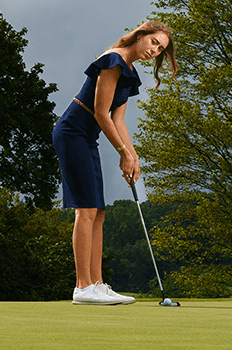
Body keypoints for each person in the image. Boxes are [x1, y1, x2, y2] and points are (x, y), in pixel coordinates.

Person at [51, 21, 176, 305]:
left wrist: (133, 157)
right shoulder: (113, 60)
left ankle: (97, 284)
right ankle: (83, 288)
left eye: (160, 49)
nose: (154, 51)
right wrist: (122, 153)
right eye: (154, 42)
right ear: (141, 35)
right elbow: (99, 112)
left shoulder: (130, 73)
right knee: (86, 208)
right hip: (72, 133)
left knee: (99, 212)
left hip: (86, 138)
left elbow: (118, 120)